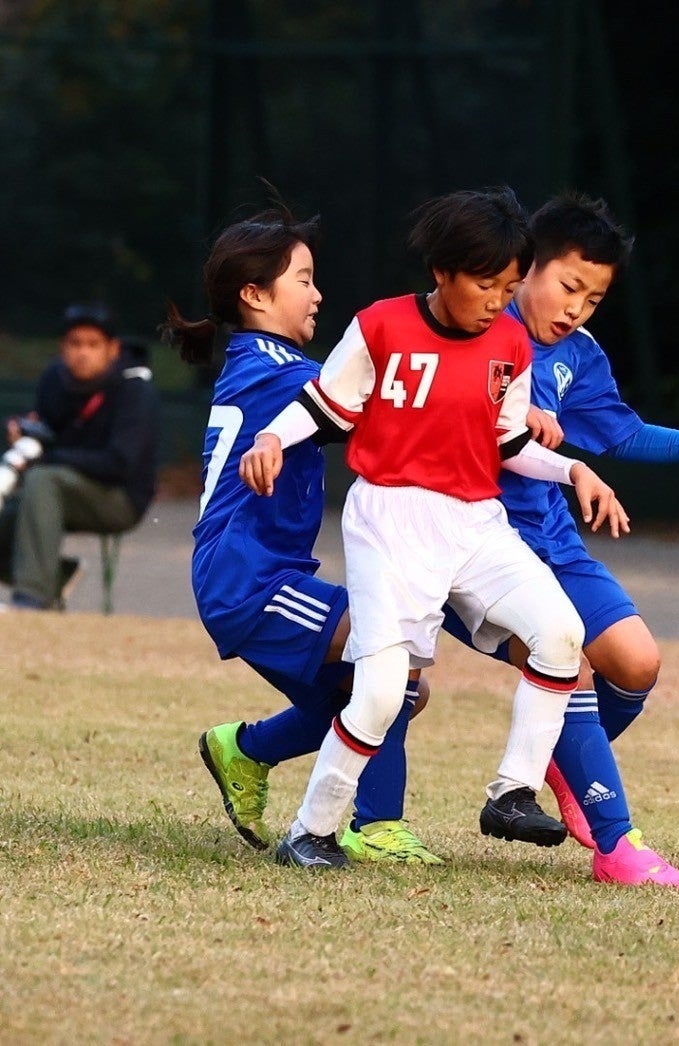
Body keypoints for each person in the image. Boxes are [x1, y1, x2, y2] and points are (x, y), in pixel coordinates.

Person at [239, 186, 628, 869]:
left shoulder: (510, 340)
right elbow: (323, 406)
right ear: (442, 272)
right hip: (389, 521)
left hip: (474, 520)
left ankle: (512, 793)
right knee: (385, 691)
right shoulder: (380, 327)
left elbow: (509, 441)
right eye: (484, 283)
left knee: (563, 635)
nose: (495, 301)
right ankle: (311, 829)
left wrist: (572, 472)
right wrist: (272, 437)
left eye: (507, 286)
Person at [416, 192, 679, 890]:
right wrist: (517, 420)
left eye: (594, 298)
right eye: (569, 286)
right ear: (526, 271)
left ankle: (557, 751)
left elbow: (623, 432)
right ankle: (619, 846)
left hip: (553, 538)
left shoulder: (578, 355)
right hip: (480, 545)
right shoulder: (479, 325)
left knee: (637, 664)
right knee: (564, 659)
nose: (577, 307)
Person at [169, 202, 442, 860]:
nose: (318, 293)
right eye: (304, 278)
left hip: (255, 575)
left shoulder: (260, 362)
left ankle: (245, 749)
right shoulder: (277, 371)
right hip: (250, 578)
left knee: (383, 693)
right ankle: (375, 827)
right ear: (255, 294)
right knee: (388, 656)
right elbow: (362, 404)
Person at [0, 303, 160, 610]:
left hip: (120, 498)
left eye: (92, 344)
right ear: (63, 347)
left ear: (113, 349)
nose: (82, 353)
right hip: (58, 486)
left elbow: (120, 463)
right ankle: (58, 576)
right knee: (20, 499)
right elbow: (46, 434)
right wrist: (21, 431)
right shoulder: (54, 380)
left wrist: (51, 459)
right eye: (75, 344)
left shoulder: (135, 390)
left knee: (43, 479)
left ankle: (32, 600)